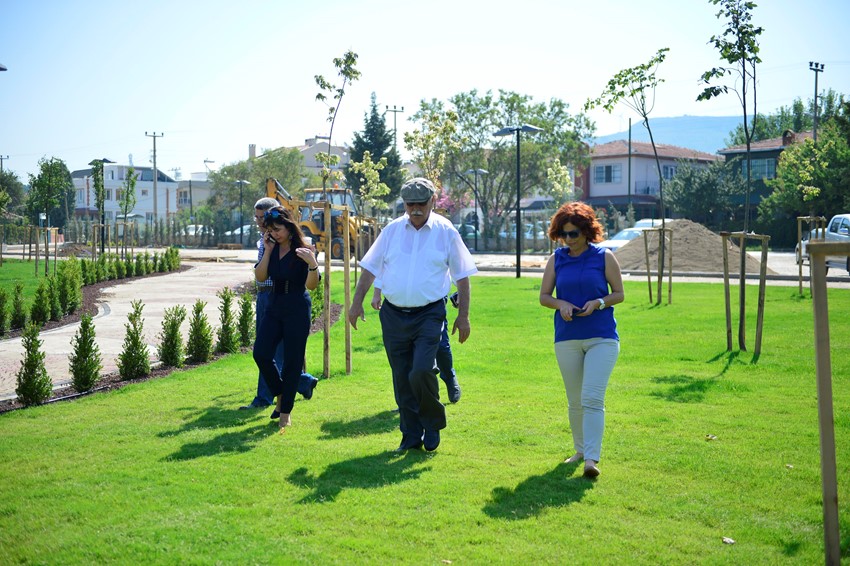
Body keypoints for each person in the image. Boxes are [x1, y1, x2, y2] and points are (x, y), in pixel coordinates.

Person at [349, 177, 477, 452]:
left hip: (429, 313)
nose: (415, 209)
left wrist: (463, 316)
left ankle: (431, 423)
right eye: (410, 204)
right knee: (402, 375)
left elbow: (463, 276)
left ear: (432, 201)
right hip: (393, 315)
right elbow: (370, 268)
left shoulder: (446, 231)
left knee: (420, 371)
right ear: (404, 204)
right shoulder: (392, 230)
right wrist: (356, 303)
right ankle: (410, 435)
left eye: (421, 203)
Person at [538, 202, 624, 478]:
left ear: (587, 231)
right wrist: (560, 303)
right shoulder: (557, 258)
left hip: (602, 337)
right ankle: (579, 451)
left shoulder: (604, 257)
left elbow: (619, 294)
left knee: (591, 397)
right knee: (575, 400)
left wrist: (598, 302)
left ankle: (591, 459)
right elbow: (544, 296)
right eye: (563, 234)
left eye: (573, 233)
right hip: (567, 338)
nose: (568, 240)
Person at [241, 200, 318, 413]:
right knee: (262, 353)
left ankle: (285, 412)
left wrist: (313, 264)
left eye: (277, 229)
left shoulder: (303, 248)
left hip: (296, 306)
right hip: (273, 304)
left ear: (288, 226)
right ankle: (281, 393)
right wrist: (266, 251)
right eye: (270, 230)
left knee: (292, 360)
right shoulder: (270, 246)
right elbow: (260, 276)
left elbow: (311, 285)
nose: (274, 234)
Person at [371, 284, 461, 404]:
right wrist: (377, 292)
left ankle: (448, 376)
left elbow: (458, 271)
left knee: (441, 346)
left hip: (432, 303)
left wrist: (460, 292)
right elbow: (383, 267)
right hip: (402, 308)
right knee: (406, 355)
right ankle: (408, 401)